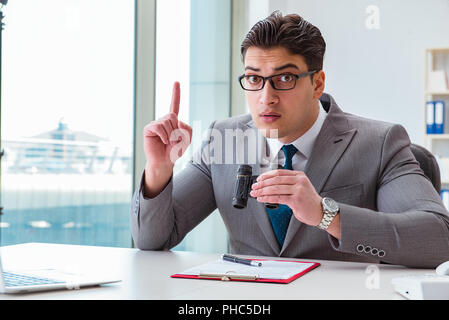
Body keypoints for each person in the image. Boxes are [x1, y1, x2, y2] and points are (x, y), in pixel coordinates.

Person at [130, 11, 449, 268]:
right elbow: (152, 240)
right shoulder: (223, 138)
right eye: (254, 78)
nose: (266, 98)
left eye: (284, 78)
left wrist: (327, 215)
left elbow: (438, 240)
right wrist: (159, 170)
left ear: (317, 83)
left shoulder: (380, 143)